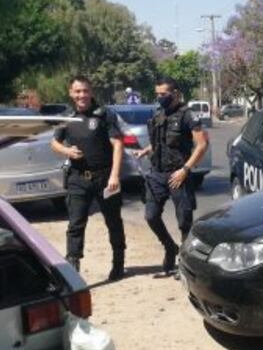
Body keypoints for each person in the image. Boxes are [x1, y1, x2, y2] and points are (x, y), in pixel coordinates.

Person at [51, 75, 126, 280]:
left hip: (104, 178)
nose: (81, 95)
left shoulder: (104, 115)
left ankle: (118, 263)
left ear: (91, 92)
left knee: (113, 222)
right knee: (75, 224)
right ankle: (73, 268)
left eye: (85, 91)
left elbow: (118, 145)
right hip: (77, 179)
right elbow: (54, 143)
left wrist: (114, 176)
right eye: (77, 91)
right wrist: (66, 151)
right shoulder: (67, 116)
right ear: (71, 93)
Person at [137, 77, 209, 275]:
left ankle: (184, 264)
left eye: (163, 94)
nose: (160, 98)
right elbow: (162, 141)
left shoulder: (187, 115)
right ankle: (169, 247)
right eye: (157, 94)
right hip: (157, 173)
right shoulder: (159, 113)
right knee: (151, 216)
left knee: (184, 221)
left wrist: (185, 170)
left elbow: (202, 144)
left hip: (179, 174)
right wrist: (146, 149)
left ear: (175, 93)